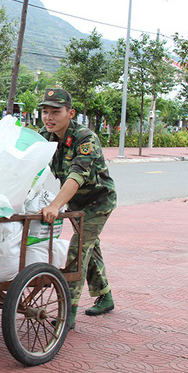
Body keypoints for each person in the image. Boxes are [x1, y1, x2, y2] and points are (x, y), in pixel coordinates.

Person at [38, 88, 116, 331]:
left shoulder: (85, 138)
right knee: (89, 248)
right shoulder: (45, 136)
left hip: (98, 201)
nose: (49, 118)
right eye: (45, 112)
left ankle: (67, 310)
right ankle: (105, 296)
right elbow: (29, 164)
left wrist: (55, 205)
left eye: (55, 112)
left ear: (70, 113)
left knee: (78, 249)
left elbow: (76, 175)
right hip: (75, 202)